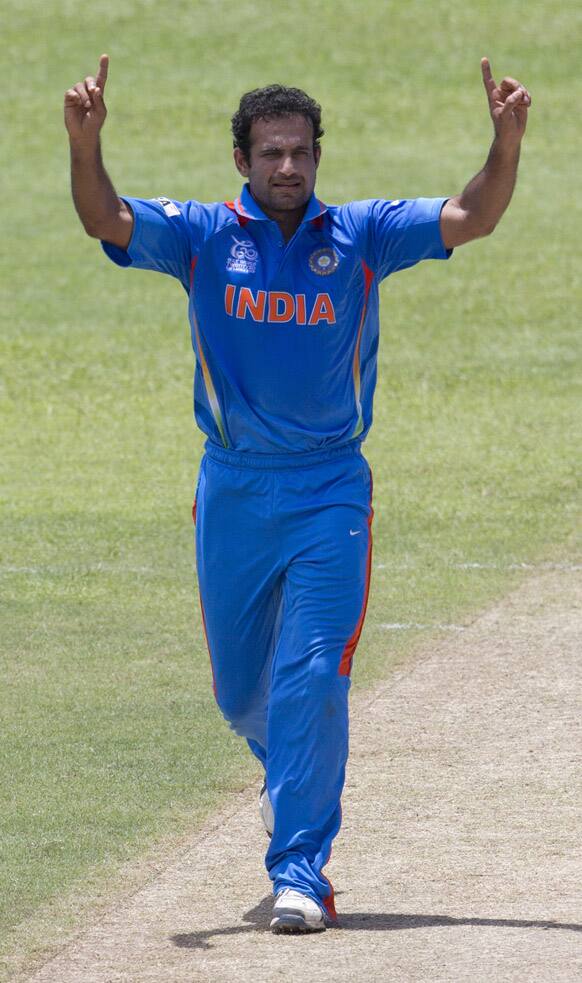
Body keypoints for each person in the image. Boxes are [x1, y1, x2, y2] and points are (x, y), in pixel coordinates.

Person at [64, 55, 530, 934]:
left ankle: (303, 871)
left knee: (314, 675)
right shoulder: (203, 235)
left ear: (318, 158)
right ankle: (290, 781)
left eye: (302, 153)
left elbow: (474, 215)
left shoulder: (360, 235)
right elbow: (106, 217)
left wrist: (504, 144)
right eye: (272, 153)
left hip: (328, 492)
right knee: (243, 695)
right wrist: (87, 146)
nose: (288, 167)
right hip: (234, 488)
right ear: (241, 159)